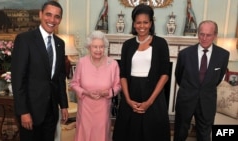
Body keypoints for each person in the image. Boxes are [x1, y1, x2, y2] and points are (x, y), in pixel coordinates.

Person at [112, 4, 171, 141]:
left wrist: (149, 102)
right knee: (128, 133)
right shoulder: (127, 45)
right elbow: (123, 75)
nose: (142, 26)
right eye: (138, 22)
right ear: (133, 24)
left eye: (145, 22)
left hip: (153, 96)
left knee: (152, 134)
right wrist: (127, 99)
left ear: (151, 23)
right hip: (131, 94)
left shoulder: (161, 43)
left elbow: (165, 74)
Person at [11, 1, 68, 141]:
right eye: (48, 14)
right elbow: (18, 79)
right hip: (31, 111)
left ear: (60, 20)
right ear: (40, 15)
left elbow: (59, 78)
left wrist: (64, 105)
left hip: (51, 111)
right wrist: (23, 111)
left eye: (57, 16)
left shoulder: (60, 43)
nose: (52, 20)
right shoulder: (25, 40)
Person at [174, 20, 230, 141]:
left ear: (215, 36)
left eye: (208, 35)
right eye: (201, 34)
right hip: (186, 100)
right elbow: (179, 75)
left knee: (205, 136)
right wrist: (189, 89)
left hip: (207, 101)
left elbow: (218, 79)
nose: (204, 38)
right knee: (180, 133)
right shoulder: (185, 54)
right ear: (198, 34)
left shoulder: (223, 55)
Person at [70, 30, 121, 141]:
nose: (98, 50)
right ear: (89, 47)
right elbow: (74, 83)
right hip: (85, 108)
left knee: (101, 135)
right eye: (95, 47)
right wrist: (86, 92)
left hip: (103, 108)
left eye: (101, 47)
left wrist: (107, 92)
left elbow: (118, 86)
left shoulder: (113, 64)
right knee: (84, 134)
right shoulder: (82, 62)